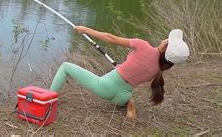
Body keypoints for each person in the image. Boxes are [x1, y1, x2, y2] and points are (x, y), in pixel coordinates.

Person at [50, 26, 189, 118]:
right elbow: (137, 73)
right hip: (121, 96)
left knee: (65, 66)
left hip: (104, 87)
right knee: (123, 93)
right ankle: (128, 102)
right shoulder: (159, 71)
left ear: (165, 45)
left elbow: (110, 38)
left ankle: (48, 100)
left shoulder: (144, 46)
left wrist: (86, 30)